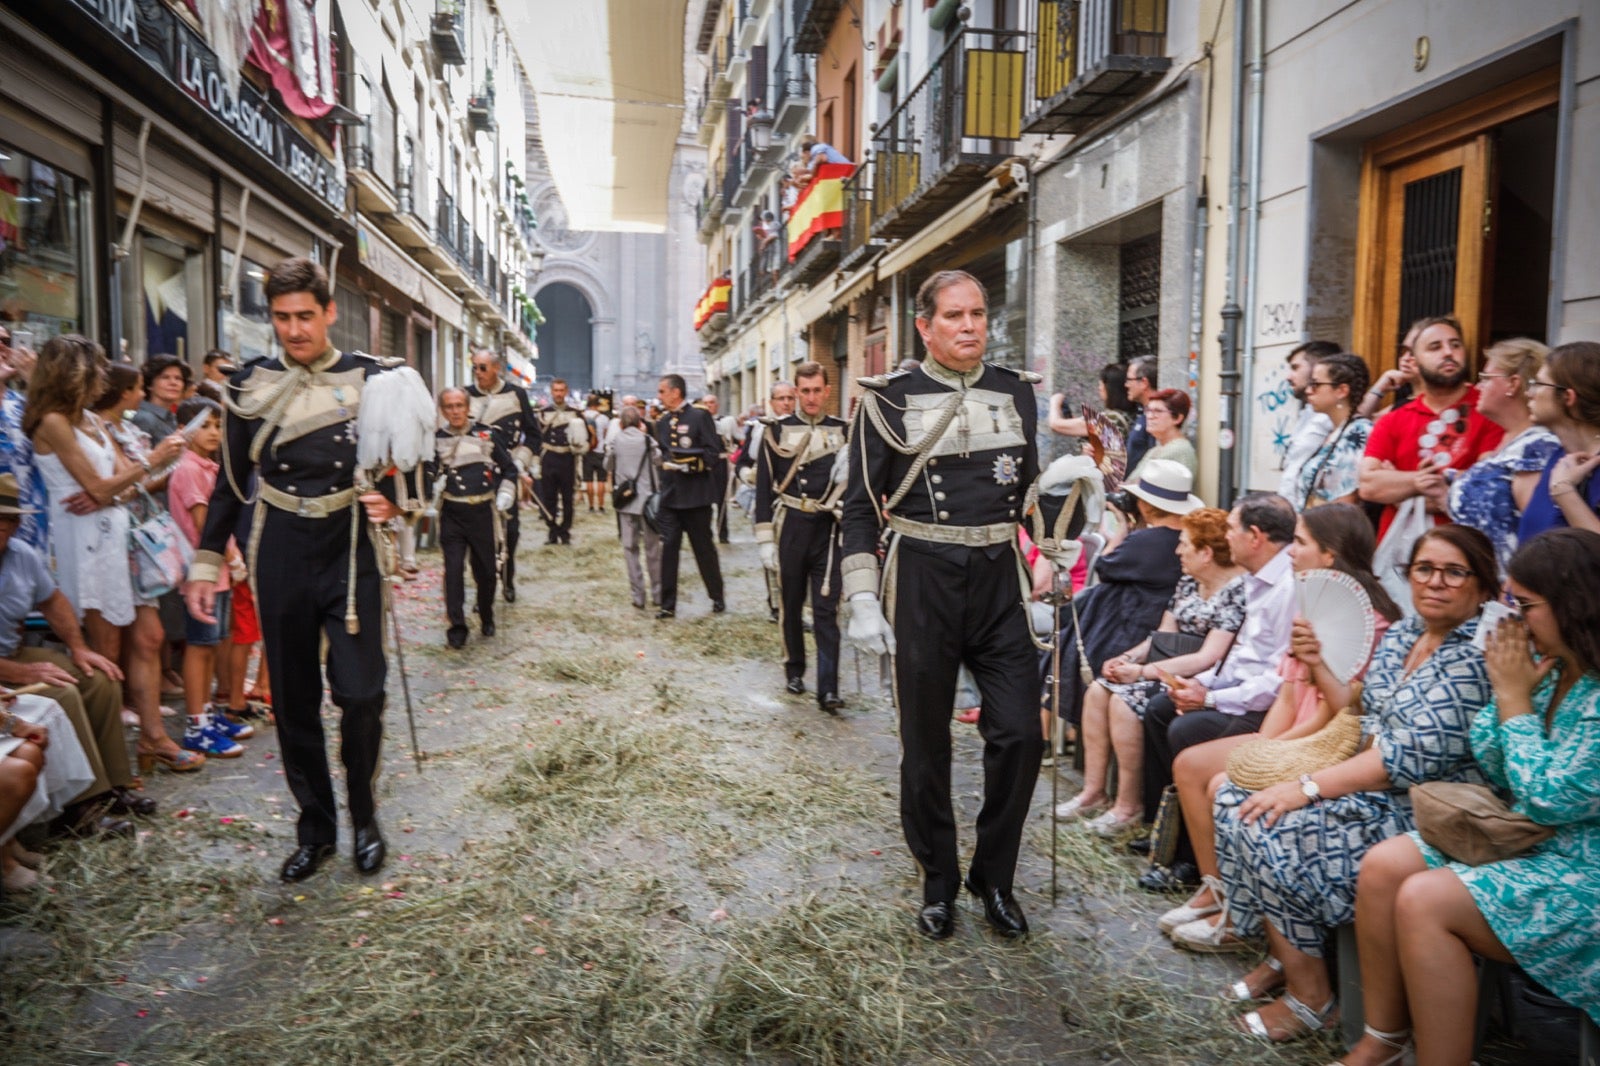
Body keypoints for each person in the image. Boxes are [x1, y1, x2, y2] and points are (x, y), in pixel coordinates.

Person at [184, 256, 426, 883]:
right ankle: (315, 828)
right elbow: (232, 485)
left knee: (362, 694)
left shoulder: (377, 379)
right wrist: (206, 564)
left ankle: (366, 817)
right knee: (293, 701)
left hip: (350, 547)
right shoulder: (248, 384)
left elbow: (412, 460)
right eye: (281, 318)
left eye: (304, 317)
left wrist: (392, 500)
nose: (293, 330)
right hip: (281, 546)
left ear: (329, 313)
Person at [1209, 525, 1497, 1045]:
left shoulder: (1473, 659)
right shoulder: (1409, 634)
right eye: (1425, 569)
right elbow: (1358, 716)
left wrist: (1309, 786)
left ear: (1483, 587)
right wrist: (1318, 665)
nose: (1436, 582)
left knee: (1272, 823)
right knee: (1235, 797)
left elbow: (1403, 761)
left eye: (1455, 572)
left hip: (1424, 809)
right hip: (1370, 788)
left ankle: (1311, 994)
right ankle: (1287, 958)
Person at [1347, 528, 1600, 1066]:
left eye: (1525, 605)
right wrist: (1516, 695)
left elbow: (1550, 797)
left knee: (1424, 899)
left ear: (1573, 605)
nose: (1512, 618)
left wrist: (1511, 699)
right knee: (1385, 865)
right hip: (1536, 841)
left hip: (1585, 869)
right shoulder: (1553, 669)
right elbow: (1490, 755)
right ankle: (1383, 1039)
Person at [841, 269, 1044, 940]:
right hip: (923, 576)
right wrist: (863, 594)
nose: (970, 326)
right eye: (954, 316)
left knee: (1020, 734)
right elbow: (859, 508)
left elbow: (1029, 492)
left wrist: (1055, 554)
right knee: (925, 745)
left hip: (998, 580)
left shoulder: (1016, 391)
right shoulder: (885, 400)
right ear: (924, 327)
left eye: (978, 314)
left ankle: (994, 877)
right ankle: (937, 881)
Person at [1161, 504, 1402, 953]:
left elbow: (1342, 715)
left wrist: (1273, 750)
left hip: (1332, 743)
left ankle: (1242, 910)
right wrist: (1265, 747)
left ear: (1330, 555)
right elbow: (1290, 693)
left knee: (1219, 778)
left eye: (1302, 542)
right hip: (1298, 728)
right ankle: (1219, 890)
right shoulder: (1310, 604)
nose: (1291, 550)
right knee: (1191, 763)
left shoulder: (1370, 620)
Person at [25, 336, 194, 774]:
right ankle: (110, 766)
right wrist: (146, 465)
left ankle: (153, 738)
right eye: (97, 368)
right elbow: (105, 485)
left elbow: (119, 484)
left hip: (117, 536)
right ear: (74, 372)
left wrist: (113, 494)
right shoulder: (53, 421)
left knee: (150, 638)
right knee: (106, 648)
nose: (104, 376)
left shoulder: (93, 421)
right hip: (83, 542)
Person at [1138, 492, 1298, 892]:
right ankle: (1169, 832)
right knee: (1160, 708)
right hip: (1241, 690)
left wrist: (1208, 698)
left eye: (1231, 528)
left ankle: (1194, 858)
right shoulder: (1258, 582)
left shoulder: (1288, 588)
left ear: (1255, 536)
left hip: (1272, 708)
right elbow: (1239, 661)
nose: (1227, 537)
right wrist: (1200, 686)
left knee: (1186, 730)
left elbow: (1276, 681)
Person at [1057, 506, 1245, 835]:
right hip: (1167, 664)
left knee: (1124, 700)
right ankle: (1093, 790)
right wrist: (1128, 658)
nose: (1177, 550)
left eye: (1184, 544)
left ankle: (1128, 805)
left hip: (1197, 677)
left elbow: (1208, 656)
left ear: (1206, 553)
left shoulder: (1236, 592)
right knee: (1100, 689)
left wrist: (1143, 674)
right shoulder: (1189, 582)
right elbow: (1161, 634)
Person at [0, 471, 152, 834]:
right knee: (62, 692)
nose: (4, 529)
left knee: (98, 677)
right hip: (5, 665)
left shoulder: (20, 555)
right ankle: (80, 808)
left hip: (12, 651)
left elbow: (53, 601)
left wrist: (79, 647)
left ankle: (115, 786)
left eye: (8, 521)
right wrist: (18, 673)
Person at [1048, 460, 1195, 739]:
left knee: (1066, 640)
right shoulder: (1184, 538)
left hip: (1127, 629)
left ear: (1147, 505)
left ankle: (1056, 732)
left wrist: (1123, 529)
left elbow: (1103, 567)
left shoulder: (1145, 541)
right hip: (1156, 625)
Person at [754, 361, 848, 714]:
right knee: (791, 604)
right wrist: (764, 539)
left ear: (827, 391)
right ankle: (794, 669)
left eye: (815, 390)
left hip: (828, 527)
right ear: (795, 394)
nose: (810, 398)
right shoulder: (776, 431)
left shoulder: (844, 431)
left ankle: (829, 689)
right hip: (790, 525)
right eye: (803, 391)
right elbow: (764, 490)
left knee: (827, 609)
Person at [1359, 315, 1504, 539]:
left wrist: (1398, 488)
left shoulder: (1489, 411)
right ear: (1414, 363)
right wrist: (1422, 483)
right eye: (1435, 347)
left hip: (1467, 549)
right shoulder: (1393, 419)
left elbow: (1484, 487)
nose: (1448, 352)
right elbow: (1368, 486)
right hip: (1399, 556)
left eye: (1455, 345)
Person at [167, 396, 251, 759]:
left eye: (218, 425)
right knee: (199, 647)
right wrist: (233, 558)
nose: (214, 432)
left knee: (213, 643)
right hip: (201, 572)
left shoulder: (210, 467)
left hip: (217, 573)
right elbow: (205, 525)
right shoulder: (187, 469)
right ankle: (196, 724)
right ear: (182, 430)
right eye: (205, 425)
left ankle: (209, 713)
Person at [1445, 338, 1560, 572]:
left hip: (1511, 587)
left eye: (1486, 378)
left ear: (1513, 384)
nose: (1477, 387)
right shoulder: (1508, 442)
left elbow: (1538, 532)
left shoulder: (1536, 447)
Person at [428, 388, 516, 648]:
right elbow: (429, 471)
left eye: (459, 406)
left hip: (481, 513)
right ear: (443, 411)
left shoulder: (485, 434)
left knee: (487, 572)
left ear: (468, 407)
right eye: (449, 407)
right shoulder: (436, 439)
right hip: (452, 513)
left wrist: (506, 492)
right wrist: (432, 485)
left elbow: (509, 468)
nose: (455, 411)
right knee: (453, 572)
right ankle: (457, 628)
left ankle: (487, 614)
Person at [652, 373, 726, 619]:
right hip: (672, 497)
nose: (660, 396)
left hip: (696, 496)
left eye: (662, 391)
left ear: (676, 392)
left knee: (703, 549)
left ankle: (717, 595)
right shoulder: (662, 422)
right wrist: (665, 464)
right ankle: (667, 604)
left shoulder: (699, 416)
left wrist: (693, 465)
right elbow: (663, 452)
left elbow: (713, 452)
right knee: (669, 549)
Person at [466, 349, 538, 597]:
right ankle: (484, 590)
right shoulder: (467, 395)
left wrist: (519, 463)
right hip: (476, 472)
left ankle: (508, 576)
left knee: (511, 531)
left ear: (497, 368)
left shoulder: (516, 394)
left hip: (507, 472)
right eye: (474, 367)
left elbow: (534, 435)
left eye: (482, 368)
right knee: (480, 535)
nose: (478, 373)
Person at [1518, 340, 1600, 539]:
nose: (1529, 393)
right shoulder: (1558, 458)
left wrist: (1564, 492)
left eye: (1537, 384)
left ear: (1567, 397)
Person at [1292, 352, 1373, 510]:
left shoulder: (1359, 432)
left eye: (1316, 384)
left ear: (1341, 391)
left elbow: (1347, 499)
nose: (1308, 390)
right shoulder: (1334, 432)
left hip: (1328, 531)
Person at [606, 405, 661, 610]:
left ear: (620, 423)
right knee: (653, 549)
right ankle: (658, 594)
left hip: (626, 501)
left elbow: (607, 465)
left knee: (630, 549)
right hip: (647, 503)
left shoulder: (616, 441)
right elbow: (659, 460)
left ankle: (638, 596)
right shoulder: (647, 440)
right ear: (640, 423)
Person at [0, 325, 46, 551]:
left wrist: (34, 380)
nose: (2, 347)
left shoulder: (24, 405)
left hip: (30, 528)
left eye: (6, 341)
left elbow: (63, 441)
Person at [1276, 341, 1342, 501]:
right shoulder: (1309, 412)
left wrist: (1378, 390)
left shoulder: (1333, 415)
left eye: (1296, 368)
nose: (1289, 377)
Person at [534, 378, 587, 546]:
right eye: (555, 390)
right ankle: (552, 530)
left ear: (566, 392)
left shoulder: (576, 413)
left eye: (561, 390)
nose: (558, 394)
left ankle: (565, 531)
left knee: (567, 499)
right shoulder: (543, 413)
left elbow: (586, 438)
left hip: (567, 459)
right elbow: (536, 438)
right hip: (549, 458)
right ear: (551, 392)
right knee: (549, 498)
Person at [1048, 362, 1140, 443]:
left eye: (1101, 385)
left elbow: (1056, 424)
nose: (1099, 389)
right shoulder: (1132, 414)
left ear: (1110, 389)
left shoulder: (1113, 419)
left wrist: (1055, 401)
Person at [1128, 389, 1197, 482]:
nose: (1150, 416)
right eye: (1148, 410)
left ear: (1178, 418)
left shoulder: (1179, 450)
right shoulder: (1156, 449)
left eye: (1158, 411)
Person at [1123, 356, 1159, 474]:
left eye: (1129, 379)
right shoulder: (1143, 413)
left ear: (1144, 383)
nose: (1126, 385)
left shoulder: (1155, 416)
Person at [582, 395, 609, 514]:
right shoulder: (604, 418)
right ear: (598, 405)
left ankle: (591, 506)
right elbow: (604, 434)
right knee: (601, 481)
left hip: (587, 451)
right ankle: (602, 506)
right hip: (600, 451)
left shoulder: (583, 416)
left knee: (589, 481)